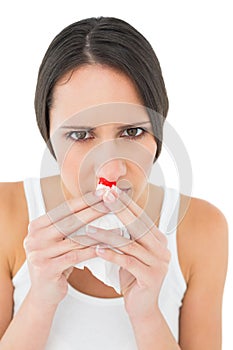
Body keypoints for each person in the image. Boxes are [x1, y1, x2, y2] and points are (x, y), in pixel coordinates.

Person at [0, 17, 228, 350]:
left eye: (132, 132)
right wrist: (39, 300)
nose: (110, 168)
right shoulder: (6, 214)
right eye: (80, 135)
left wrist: (147, 315)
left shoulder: (203, 228)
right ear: (48, 135)